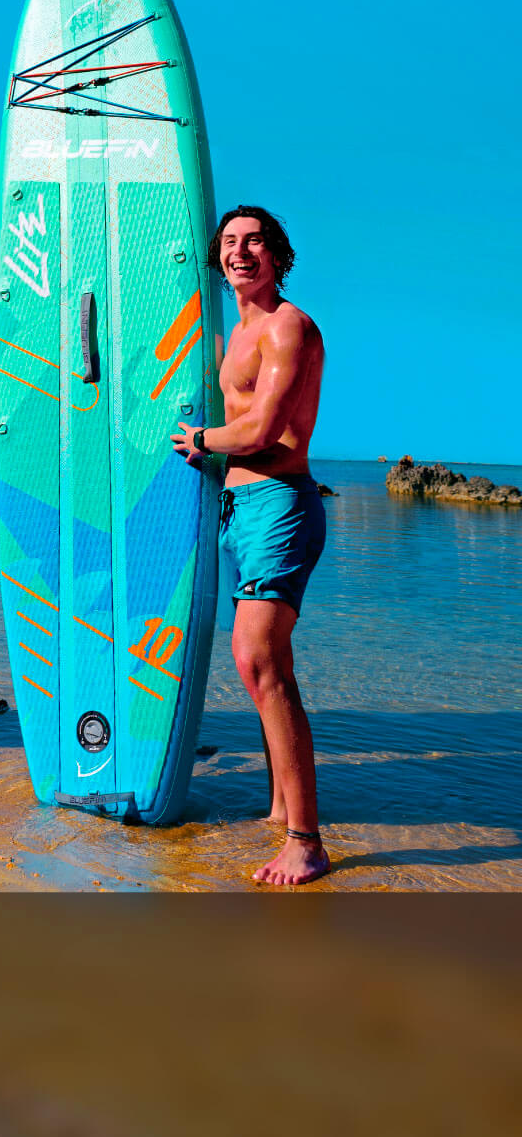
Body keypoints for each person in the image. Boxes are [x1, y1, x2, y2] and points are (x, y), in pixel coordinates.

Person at [171, 206, 329, 885]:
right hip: (235, 509)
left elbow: (264, 428)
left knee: (260, 660)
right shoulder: (231, 335)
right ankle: (278, 808)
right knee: (261, 665)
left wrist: (200, 441)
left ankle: (306, 840)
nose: (241, 252)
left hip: (278, 506)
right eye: (230, 243)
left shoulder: (287, 327)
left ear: (277, 254)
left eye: (254, 240)